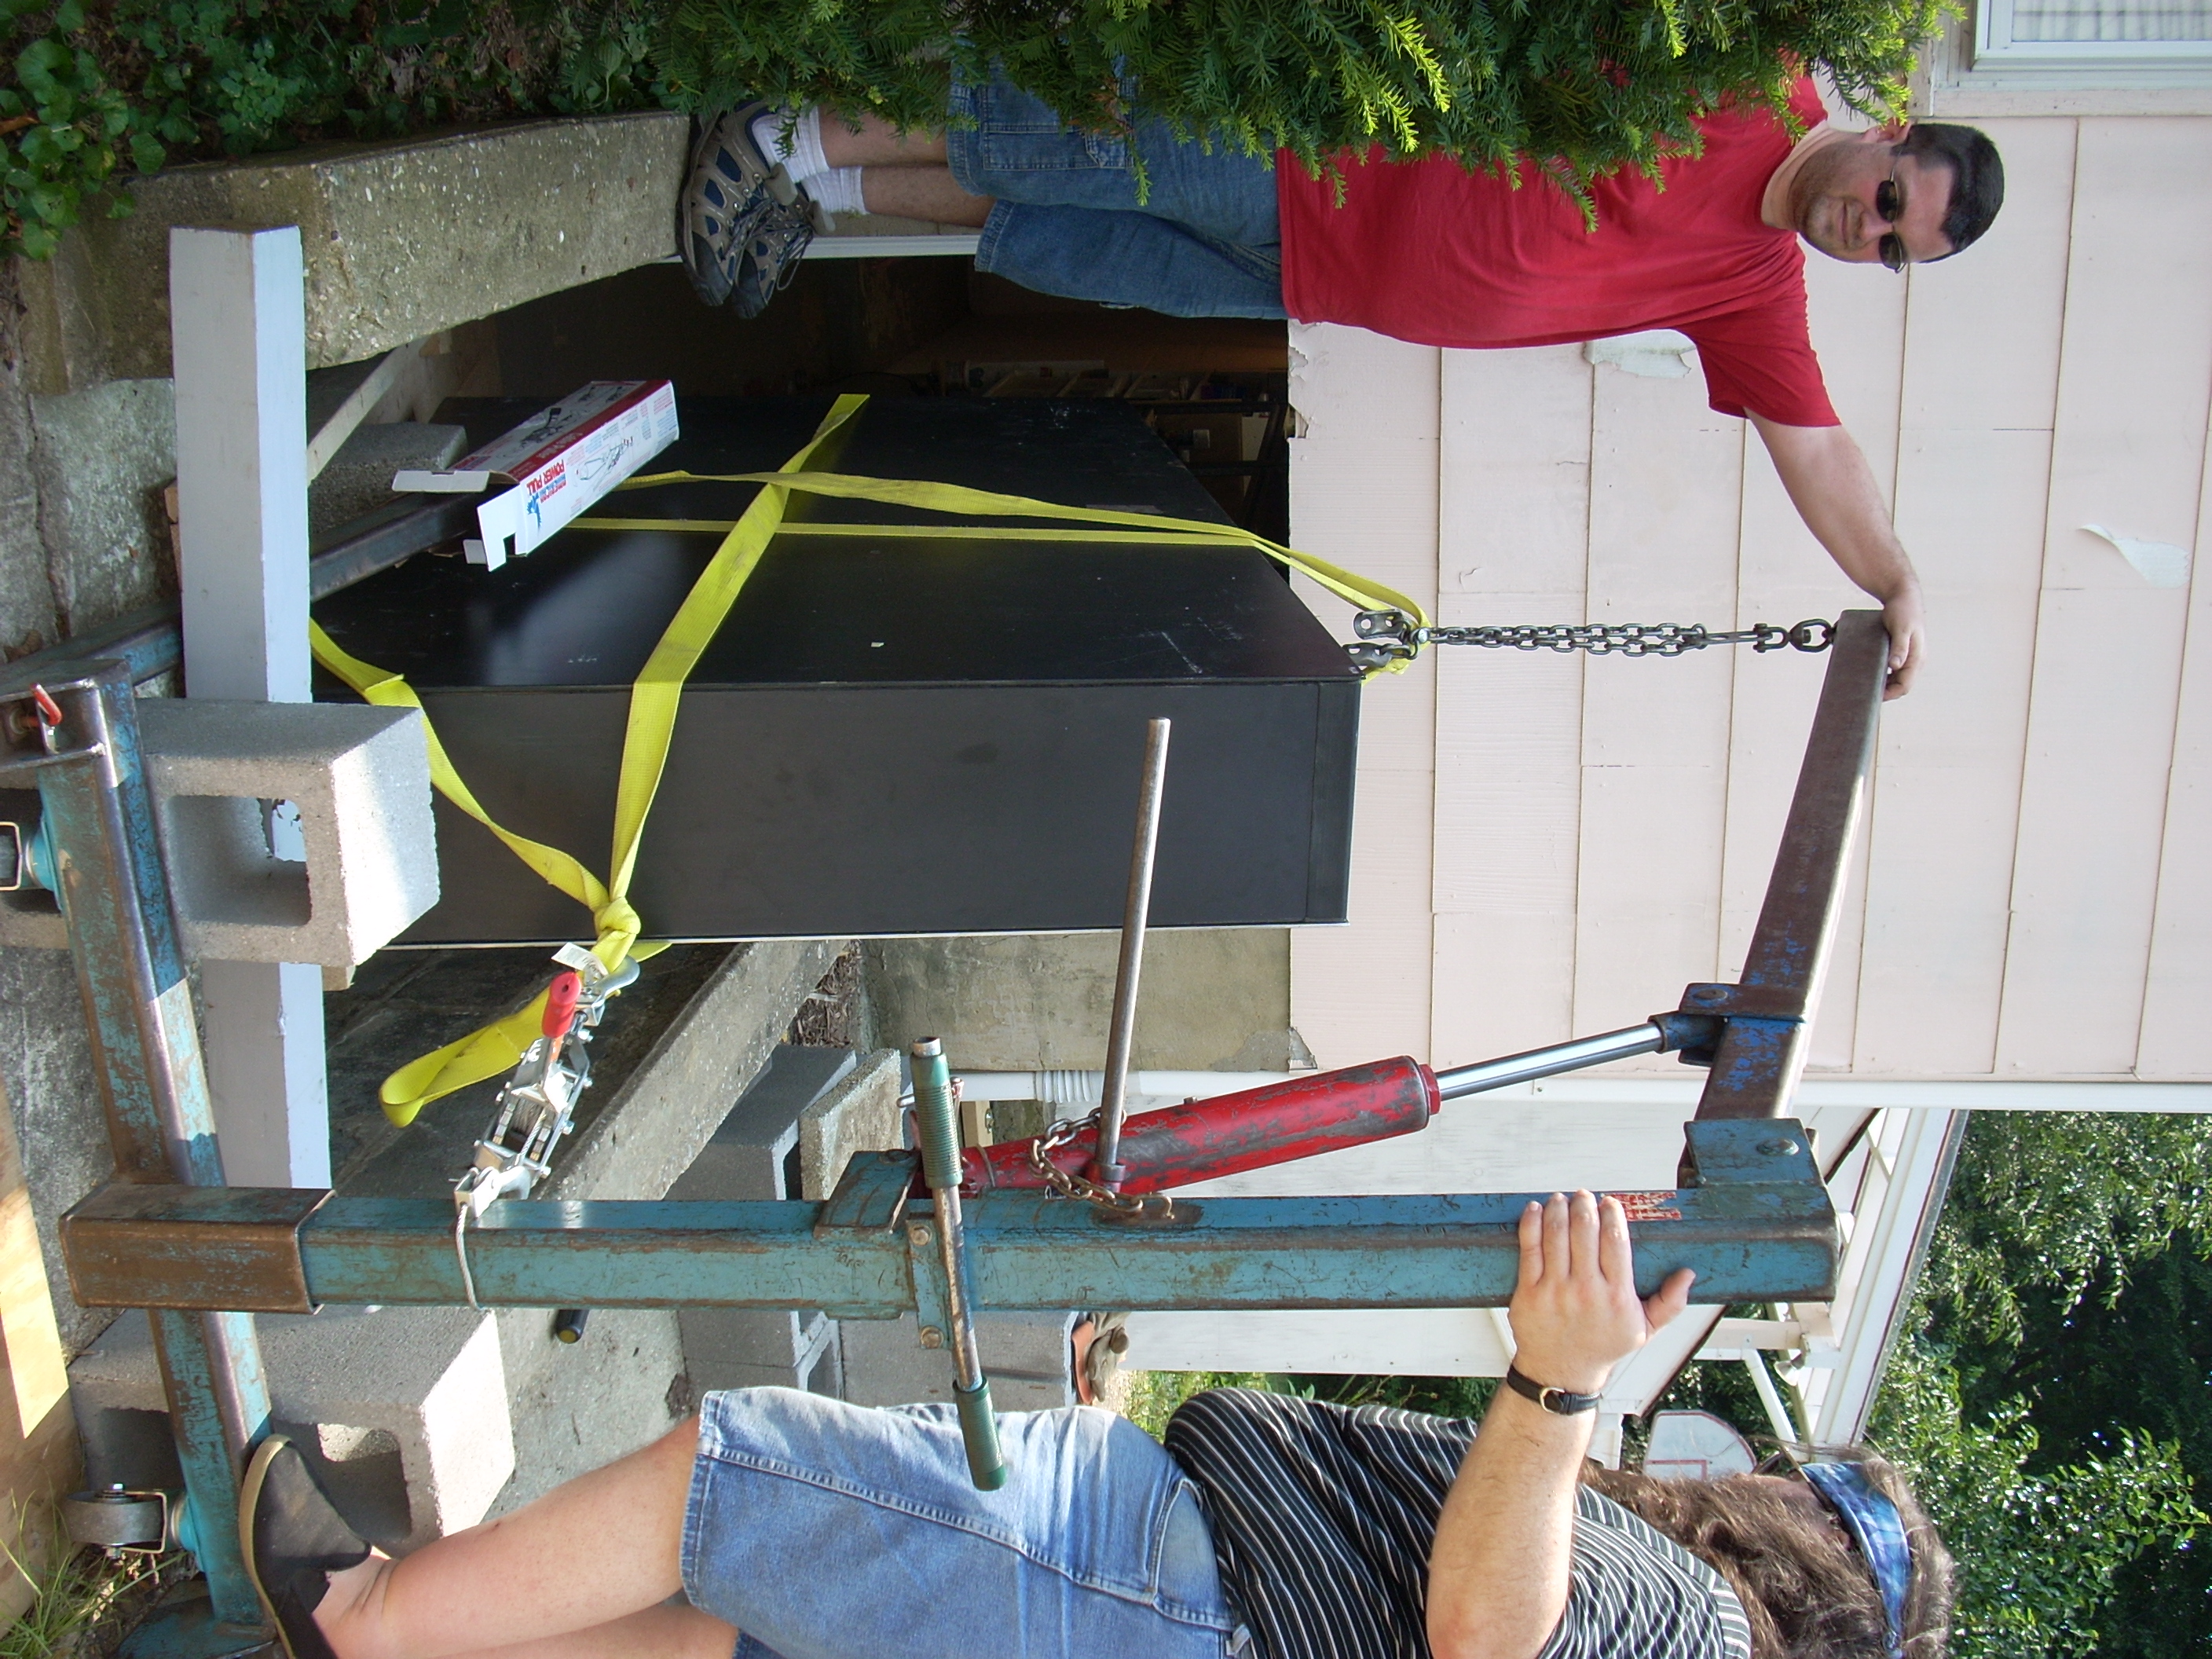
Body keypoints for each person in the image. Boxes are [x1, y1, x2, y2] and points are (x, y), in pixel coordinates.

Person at [679, 75, 2007, 701]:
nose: (1869, 229)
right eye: (1893, 199)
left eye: (1894, 249)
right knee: (1071, 142)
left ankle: (822, 183)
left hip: (1308, 279)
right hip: (1311, 147)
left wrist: (1896, 579)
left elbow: (1816, 448)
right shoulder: (1744, 83)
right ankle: (778, 131)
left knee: (1058, 225)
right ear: (1889, 134)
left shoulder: (1753, 291)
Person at [240, 1189, 1953, 1659]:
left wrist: (1560, 1386)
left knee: (743, 1476)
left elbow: (1486, 1635)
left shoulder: (1701, 1632)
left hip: (1168, 1596)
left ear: (1799, 1550)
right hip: (1168, 1596)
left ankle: (367, 1616)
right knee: (732, 1634)